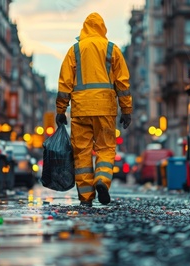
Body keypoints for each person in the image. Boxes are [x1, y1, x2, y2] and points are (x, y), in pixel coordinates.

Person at [55, 12, 132, 207]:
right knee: (105, 149)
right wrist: (127, 110)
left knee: (82, 153)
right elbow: (123, 84)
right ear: (102, 29)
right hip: (105, 108)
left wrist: (60, 110)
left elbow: (65, 83)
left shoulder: (75, 51)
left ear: (84, 29)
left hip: (81, 109)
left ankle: (86, 197)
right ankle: (102, 180)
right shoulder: (112, 50)